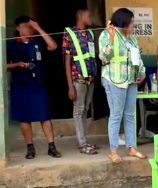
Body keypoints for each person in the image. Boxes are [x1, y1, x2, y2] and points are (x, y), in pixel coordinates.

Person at [6, 16, 61, 159]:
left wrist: (38, 28)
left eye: (30, 26)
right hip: (20, 84)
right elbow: (3, 66)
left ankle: (51, 146)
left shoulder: (37, 42)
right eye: (25, 26)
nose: (28, 29)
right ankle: (30, 147)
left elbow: (53, 46)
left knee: (45, 115)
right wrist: (17, 65)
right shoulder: (10, 45)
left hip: (38, 84)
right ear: (18, 28)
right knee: (24, 118)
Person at [99, 8, 147, 164]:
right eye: (132, 22)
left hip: (131, 80)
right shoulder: (107, 34)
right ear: (124, 21)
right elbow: (104, 57)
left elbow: (137, 57)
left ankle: (131, 147)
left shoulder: (132, 38)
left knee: (130, 115)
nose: (133, 25)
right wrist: (112, 40)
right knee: (116, 114)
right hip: (114, 79)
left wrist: (142, 72)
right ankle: (113, 151)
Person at [62, 8, 98, 155]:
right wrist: (70, 86)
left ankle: (83, 141)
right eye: (89, 16)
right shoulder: (69, 33)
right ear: (81, 16)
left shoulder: (89, 34)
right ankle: (82, 144)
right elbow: (67, 61)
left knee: (84, 110)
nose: (91, 18)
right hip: (78, 78)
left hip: (91, 78)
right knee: (78, 110)